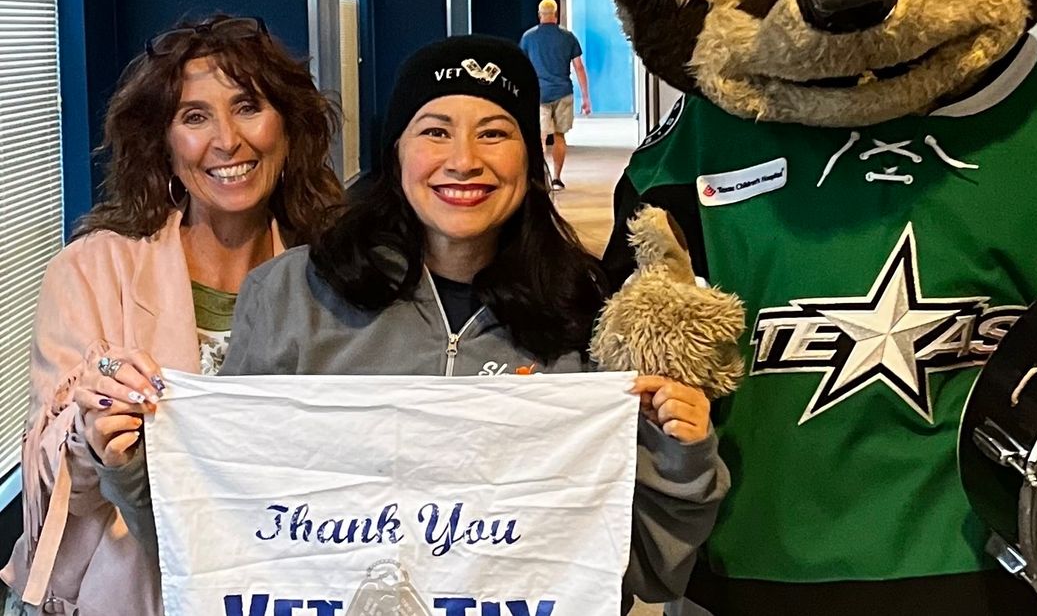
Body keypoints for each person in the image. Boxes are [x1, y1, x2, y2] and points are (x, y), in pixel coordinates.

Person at [91, 35, 728, 614]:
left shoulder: (589, 311)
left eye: (495, 133)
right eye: (435, 130)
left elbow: (646, 570)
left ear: (530, 161)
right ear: (396, 151)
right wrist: (132, 465)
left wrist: (682, 456)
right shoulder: (291, 295)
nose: (464, 160)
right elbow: (222, 539)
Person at [0, 15, 344, 615]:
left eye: (248, 106)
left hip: (289, 586)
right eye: (194, 117)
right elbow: (47, 485)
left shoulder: (342, 275)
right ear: (163, 140)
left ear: (288, 129)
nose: (227, 140)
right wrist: (91, 436)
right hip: (128, 593)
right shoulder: (91, 270)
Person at [519, 0, 591, 190]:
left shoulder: (528, 38)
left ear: (539, 14)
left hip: (539, 93)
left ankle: (542, 178)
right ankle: (557, 178)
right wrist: (585, 97)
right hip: (563, 92)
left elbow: (522, 67)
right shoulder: (568, 37)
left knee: (540, 137)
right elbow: (579, 67)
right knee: (560, 136)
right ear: (556, 14)